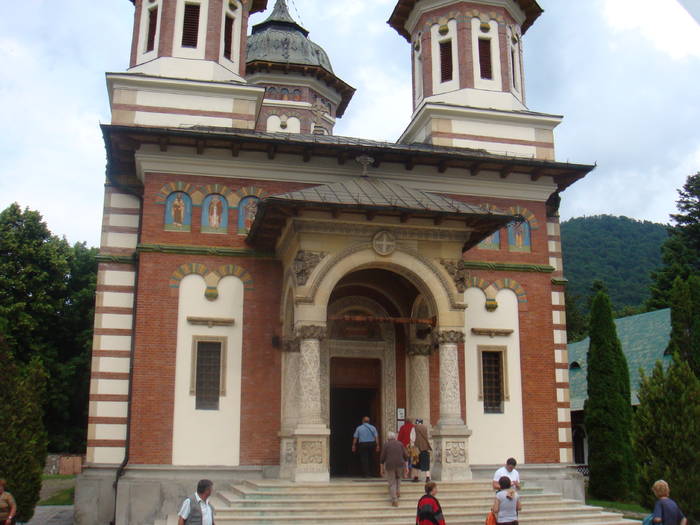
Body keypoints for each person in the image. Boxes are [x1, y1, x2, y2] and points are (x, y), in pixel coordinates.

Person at [380, 431, 409, 507]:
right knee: (398, 478)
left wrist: (381, 469)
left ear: (388, 438)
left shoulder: (386, 445)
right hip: (400, 464)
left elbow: (382, 458)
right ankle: (398, 491)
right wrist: (406, 468)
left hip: (390, 465)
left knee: (392, 482)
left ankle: (394, 500)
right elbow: (406, 456)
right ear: (395, 437)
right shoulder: (400, 444)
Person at [412, 418, 431, 483]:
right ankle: (427, 478)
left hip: (417, 448)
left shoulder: (414, 428)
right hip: (425, 448)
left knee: (416, 463)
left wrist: (412, 446)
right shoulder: (425, 428)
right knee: (426, 463)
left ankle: (416, 477)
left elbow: (412, 438)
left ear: (416, 422)